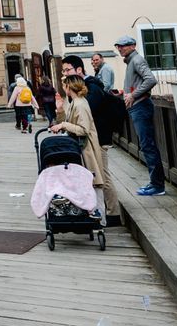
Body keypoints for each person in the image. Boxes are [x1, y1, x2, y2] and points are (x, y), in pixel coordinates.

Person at [52, 74, 116, 218]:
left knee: (94, 182)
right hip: (81, 148)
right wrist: (60, 110)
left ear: (69, 87)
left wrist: (63, 125)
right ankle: (94, 216)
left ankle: (99, 218)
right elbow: (69, 123)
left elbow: (83, 129)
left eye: (64, 85)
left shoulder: (80, 104)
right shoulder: (76, 102)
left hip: (87, 149)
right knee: (90, 182)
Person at [115, 36, 166, 196]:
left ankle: (157, 186)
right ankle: (155, 183)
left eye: (124, 45)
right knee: (147, 145)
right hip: (138, 106)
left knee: (148, 146)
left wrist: (133, 95)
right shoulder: (131, 60)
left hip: (141, 106)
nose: (120, 48)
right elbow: (139, 82)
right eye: (118, 46)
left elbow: (151, 80)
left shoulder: (136, 60)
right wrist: (125, 93)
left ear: (133, 46)